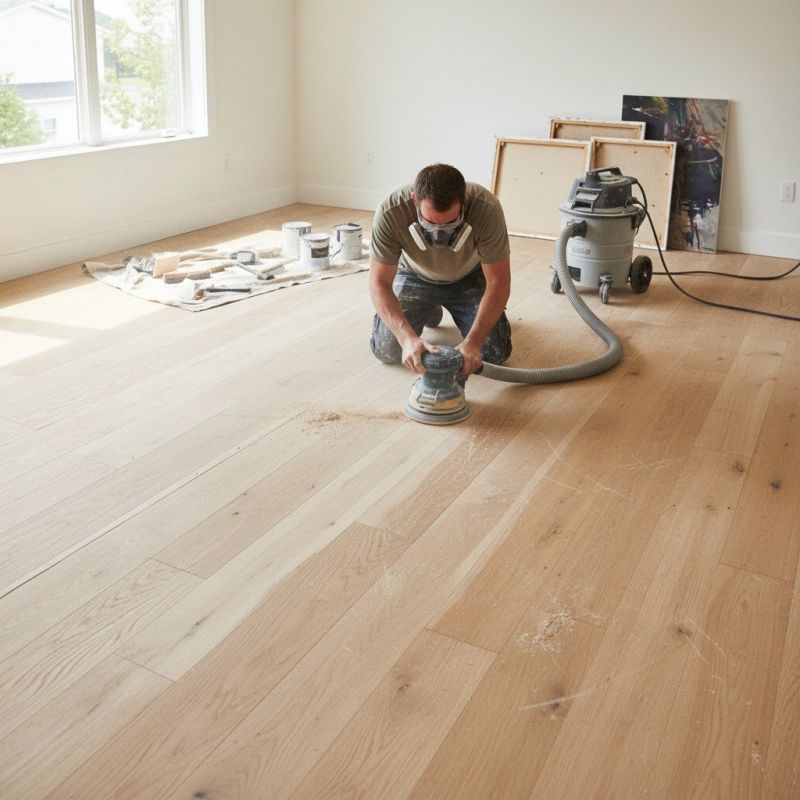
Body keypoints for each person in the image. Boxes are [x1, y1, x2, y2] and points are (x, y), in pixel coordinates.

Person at [368, 163, 512, 377]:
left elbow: (499, 281)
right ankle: (429, 309)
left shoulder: (486, 208)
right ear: (415, 200)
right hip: (415, 276)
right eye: (430, 222)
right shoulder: (391, 211)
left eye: (451, 222)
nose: (439, 233)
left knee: (492, 352)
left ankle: (436, 308)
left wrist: (472, 343)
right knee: (388, 350)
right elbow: (378, 282)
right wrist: (407, 339)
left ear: (463, 202)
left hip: (469, 277)